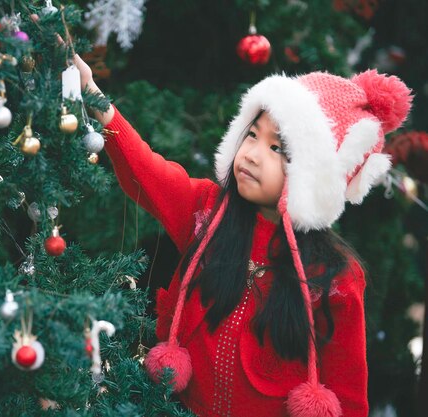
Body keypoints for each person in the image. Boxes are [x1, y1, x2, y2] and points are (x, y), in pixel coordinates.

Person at [74, 54, 412, 417]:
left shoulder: (336, 277)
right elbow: (145, 171)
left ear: (313, 176)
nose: (251, 155)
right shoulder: (206, 212)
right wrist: (92, 94)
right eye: (251, 135)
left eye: (276, 148)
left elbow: (348, 397)